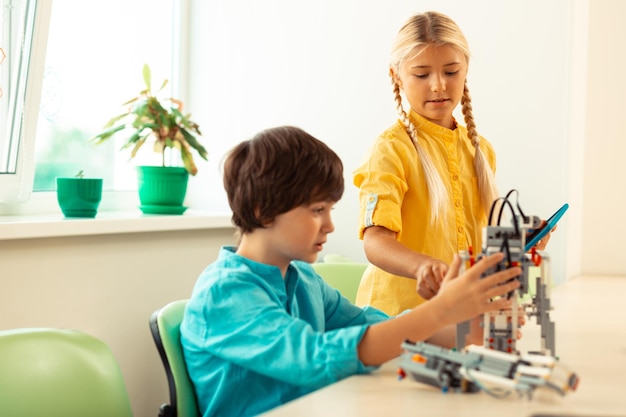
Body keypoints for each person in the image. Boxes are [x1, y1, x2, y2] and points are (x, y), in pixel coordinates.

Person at [180, 125, 521, 417]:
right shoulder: (224, 292)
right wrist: (440, 310)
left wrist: (465, 332)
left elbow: (368, 324)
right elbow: (315, 358)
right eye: (317, 210)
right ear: (262, 210)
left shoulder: (302, 278)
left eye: (329, 209)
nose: (329, 225)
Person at [353, 11, 552, 316]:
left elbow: (479, 247)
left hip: (456, 319)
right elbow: (375, 243)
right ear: (397, 76)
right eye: (421, 74)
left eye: (450, 72)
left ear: (465, 70)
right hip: (395, 319)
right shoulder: (391, 149)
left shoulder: (480, 149)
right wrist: (424, 266)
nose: (438, 85)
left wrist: (519, 244)